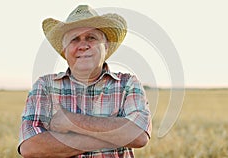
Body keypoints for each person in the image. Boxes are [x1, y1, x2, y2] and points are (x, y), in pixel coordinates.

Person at [18, 5, 152, 158]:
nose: (83, 45)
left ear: (106, 46)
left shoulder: (127, 84)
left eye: (91, 38)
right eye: (75, 39)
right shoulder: (45, 86)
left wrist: (70, 121)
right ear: (64, 50)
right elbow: (30, 147)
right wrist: (115, 134)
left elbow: (139, 135)